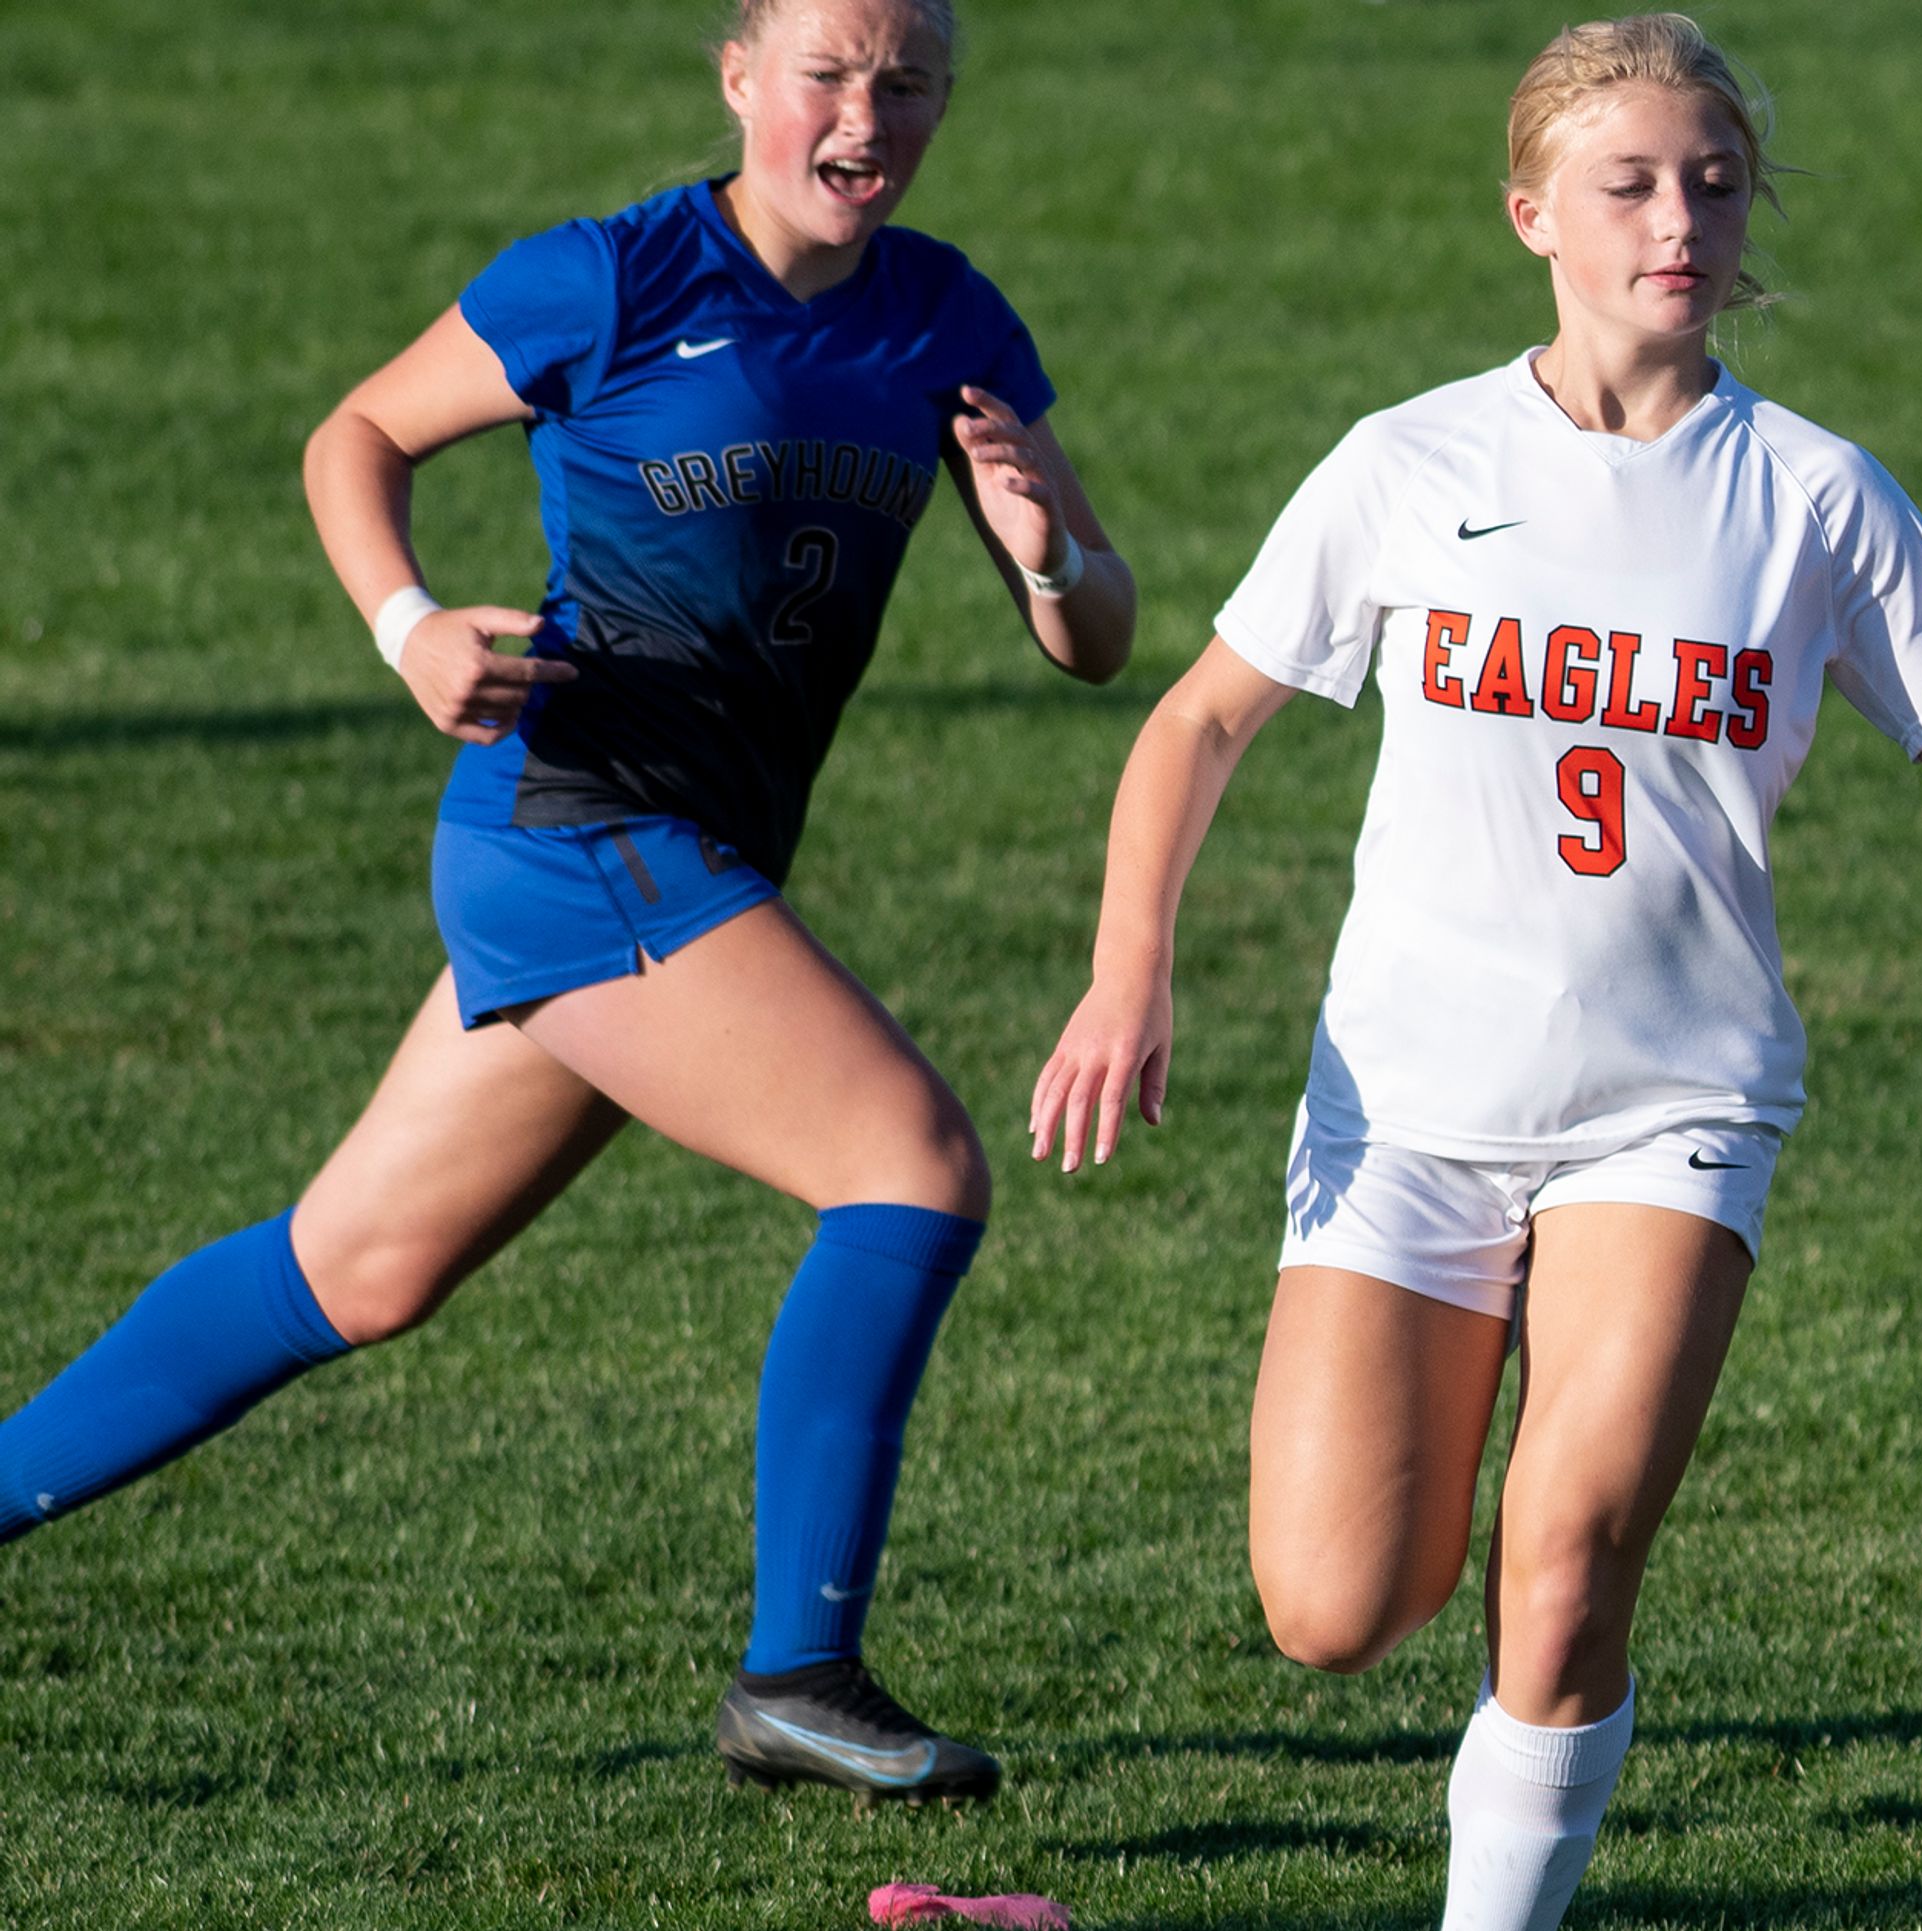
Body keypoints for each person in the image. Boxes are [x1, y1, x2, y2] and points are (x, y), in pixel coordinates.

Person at [1029, 13, 1922, 1931]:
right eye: (1631, 183)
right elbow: (1194, 724)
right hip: (1410, 1108)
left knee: (1572, 1549)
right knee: (1336, 1608)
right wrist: (1129, 974)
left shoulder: (1814, 494)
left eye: (1713, 183)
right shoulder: (1408, 465)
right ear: (1533, 210)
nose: (1681, 220)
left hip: (1677, 1100)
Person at [0, 0, 1133, 1804]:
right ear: (742, 77)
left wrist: (1052, 549)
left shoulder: (948, 316)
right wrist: (409, 626)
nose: (870, 111)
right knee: (908, 1164)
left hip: (686, 853)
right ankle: (798, 1671)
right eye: (829, 71)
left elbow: (1097, 639)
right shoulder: (612, 275)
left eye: (908, 79)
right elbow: (355, 435)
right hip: (570, 826)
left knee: (351, 1266)